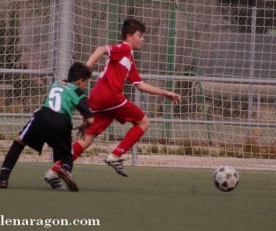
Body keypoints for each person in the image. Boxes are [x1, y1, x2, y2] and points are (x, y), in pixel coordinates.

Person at [45, 18, 181, 186]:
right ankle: (115, 155)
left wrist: (165, 93)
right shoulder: (124, 48)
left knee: (87, 139)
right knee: (143, 122)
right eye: (140, 35)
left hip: (98, 98)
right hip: (110, 97)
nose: (142, 39)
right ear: (130, 36)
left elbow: (140, 85)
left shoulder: (129, 58)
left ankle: (53, 171)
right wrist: (86, 69)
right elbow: (102, 49)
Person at [0, 62, 94, 192]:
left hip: (42, 115)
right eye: (85, 82)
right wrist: (84, 126)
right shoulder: (79, 92)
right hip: (61, 120)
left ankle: (2, 178)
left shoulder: (56, 83)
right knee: (67, 153)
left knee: (19, 141)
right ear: (81, 80)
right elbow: (91, 119)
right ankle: (66, 170)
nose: (85, 85)